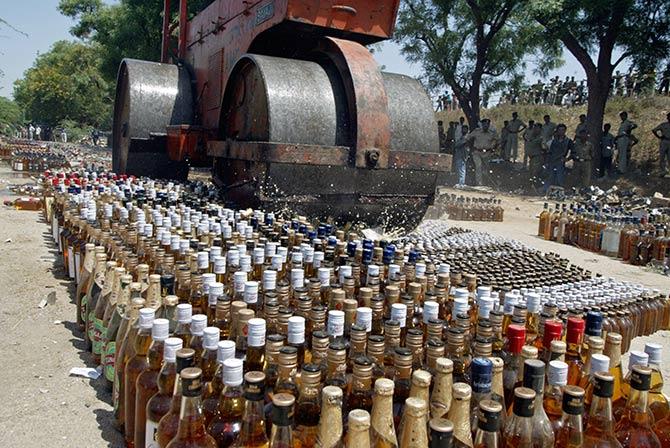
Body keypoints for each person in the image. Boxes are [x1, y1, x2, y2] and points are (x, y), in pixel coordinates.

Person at [464, 118, 498, 186]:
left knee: (486, 168)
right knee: (478, 167)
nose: (486, 126)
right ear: (482, 125)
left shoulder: (491, 133)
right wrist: (470, 147)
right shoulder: (477, 131)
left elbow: (498, 140)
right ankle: (479, 183)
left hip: (487, 153)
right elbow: (468, 138)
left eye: (487, 124)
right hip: (477, 152)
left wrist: (493, 148)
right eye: (484, 124)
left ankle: (486, 182)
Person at [545, 123, 574, 191]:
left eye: (563, 130)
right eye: (560, 130)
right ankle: (549, 192)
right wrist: (547, 161)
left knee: (560, 178)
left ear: (565, 131)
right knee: (550, 177)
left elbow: (574, 152)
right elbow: (550, 152)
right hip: (552, 161)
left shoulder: (568, 141)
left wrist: (567, 159)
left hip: (560, 162)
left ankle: (560, 192)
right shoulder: (554, 141)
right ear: (557, 131)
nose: (561, 131)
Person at [525, 122, 544, 187]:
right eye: (534, 127)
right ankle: (531, 186)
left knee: (535, 173)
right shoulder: (533, 136)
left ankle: (535, 187)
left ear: (540, 129)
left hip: (537, 157)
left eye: (537, 128)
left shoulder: (541, 137)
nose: (535, 129)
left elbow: (544, 147)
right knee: (531, 172)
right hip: (532, 157)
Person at [652, 112, 670, 177]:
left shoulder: (663, 125)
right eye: (668, 117)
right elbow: (654, 130)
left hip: (666, 141)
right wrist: (659, 137)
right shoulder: (663, 125)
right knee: (662, 157)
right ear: (667, 118)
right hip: (664, 141)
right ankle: (663, 171)